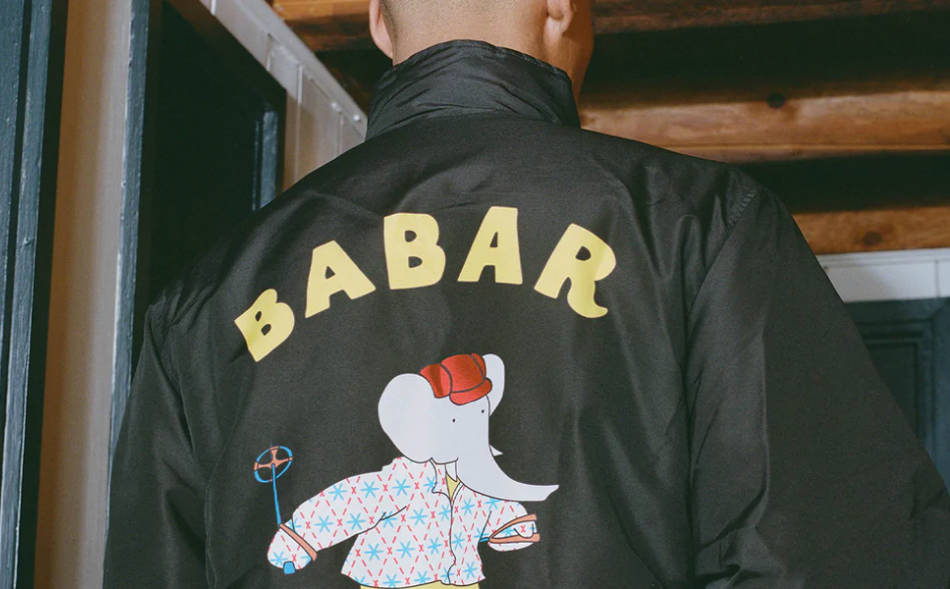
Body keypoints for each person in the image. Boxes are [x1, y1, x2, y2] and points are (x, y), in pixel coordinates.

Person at [103, 0, 950, 587]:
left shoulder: (202, 306)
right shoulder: (703, 228)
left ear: (380, 26)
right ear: (561, 8)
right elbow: (828, 555)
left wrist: (295, 535)